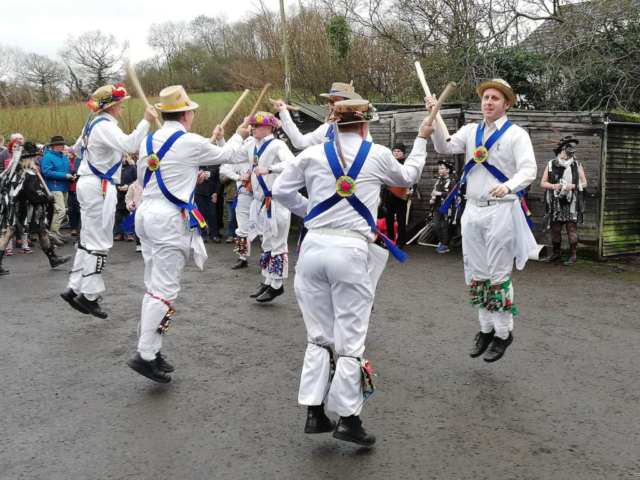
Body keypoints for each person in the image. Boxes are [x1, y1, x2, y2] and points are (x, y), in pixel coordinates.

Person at [273, 99, 434, 446]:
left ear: (334, 124)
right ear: (365, 125)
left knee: (318, 334)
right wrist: (421, 137)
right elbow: (409, 177)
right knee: (350, 339)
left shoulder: (312, 154)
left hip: (313, 248)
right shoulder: (376, 154)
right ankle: (348, 419)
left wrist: (311, 213)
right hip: (350, 250)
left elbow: (280, 190)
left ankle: (314, 412)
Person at [126, 85, 250, 384]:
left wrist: (186, 175)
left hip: (146, 214)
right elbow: (230, 155)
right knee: (164, 290)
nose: (193, 115)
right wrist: (238, 134)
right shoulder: (191, 141)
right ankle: (145, 354)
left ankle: (152, 350)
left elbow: (149, 176)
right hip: (168, 219)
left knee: (153, 286)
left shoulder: (149, 140)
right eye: (192, 111)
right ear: (186, 114)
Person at [426, 78, 537, 363]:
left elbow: (529, 170)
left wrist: (509, 186)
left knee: (498, 276)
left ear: (506, 104)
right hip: (472, 210)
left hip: (501, 210)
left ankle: (503, 333)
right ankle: (485, 329)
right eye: (485, 98)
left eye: (495, 99)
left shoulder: (516, 135)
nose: (488, 102)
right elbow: (445, 147)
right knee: (477, 274)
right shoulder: (470, 131)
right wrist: (434, 118)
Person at [60, 83, 157, 319]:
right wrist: (146, 121)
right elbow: (130, 145)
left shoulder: (91, 125)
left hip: (89, 183)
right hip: (99, 186)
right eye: (121, 103)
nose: (123, 107)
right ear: (112, 106)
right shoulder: (104, 125)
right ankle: (89, 296)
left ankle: (74, 287)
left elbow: (76, 150)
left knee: (88, 238)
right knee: (99, 241)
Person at [238, 111, 295, 303]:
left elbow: (291, 163)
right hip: (260, 203)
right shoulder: (250, 145)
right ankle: (268, 280)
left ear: (269, 128)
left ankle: (277, 285)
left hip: (276, 202)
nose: (253, 128)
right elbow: (233, 156)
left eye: (257, 125)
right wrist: (222, 141)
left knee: (278, 242)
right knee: (267, 243)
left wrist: (270, 169)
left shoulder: (278, 145)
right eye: (252, 125)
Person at [0, 142, 71, 275]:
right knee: (39, 231)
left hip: (14, 209)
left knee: (9, 233)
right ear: (29, 158)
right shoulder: (29, 174)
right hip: (28, 210)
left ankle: (53, 258)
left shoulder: (11, 173)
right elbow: (34, 195)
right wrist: (47, 198)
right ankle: (53, 258)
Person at [273, 82, 372, 149]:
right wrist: (284, 113)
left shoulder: (361, 131)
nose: (330, 105)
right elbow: (300, 142)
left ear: (349, 104)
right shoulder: (326, 128)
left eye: (335, 101)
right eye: (329, 101)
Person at [541, 136, 587, 266]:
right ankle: (556, 253)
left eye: (572, 148)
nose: (570, 151)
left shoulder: (577, 165)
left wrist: (574, 186)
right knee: (555, 228)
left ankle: (573, 255)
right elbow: (543, 183)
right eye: (567, 148)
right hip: (556, 201)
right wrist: (554, 186)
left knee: (571, 227)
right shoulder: (551, 164)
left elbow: (584, 183)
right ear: (562, 150)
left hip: (572, 201)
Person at [40, 136, 73, 243]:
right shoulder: (47, 157)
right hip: (54, 187)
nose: (63, 146)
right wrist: (65, 176)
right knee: (60, 211)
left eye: (63, 144)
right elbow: (46, 172)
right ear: (54, 146)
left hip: (63, 186)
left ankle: (56, 232)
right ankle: (52, 235)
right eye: (60, 144)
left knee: (59, 211)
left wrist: (71, 176)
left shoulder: (63, 157)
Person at [220, 160, 253, 268]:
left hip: (263, 197)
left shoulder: (268, 153)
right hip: (244, 195)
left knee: (266, 229)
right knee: (242, 228)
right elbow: (224, 169)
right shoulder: (241, 157)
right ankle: (242, 258)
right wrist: (238, 177)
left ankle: (266, 261)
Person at [382, 142, 414, 249]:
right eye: (394, 151)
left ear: (403, 154)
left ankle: (400, 242)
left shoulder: (406, 165)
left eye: (398, 151)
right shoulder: (388, 164)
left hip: (401, 198)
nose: (396, 153)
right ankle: (390, 241)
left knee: (401, 220)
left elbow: (412, 177)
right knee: (389, 220)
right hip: (388, 196)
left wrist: (412, 188)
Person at [430, 159, 457, 253]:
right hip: (437, 207)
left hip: (446, 208)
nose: (439, 170)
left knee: (444, 227)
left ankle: (445, 245)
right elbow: (434, 191)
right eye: (439, 168)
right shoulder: (439, 181)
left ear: (448, 170)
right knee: (436, 226)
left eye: (442, 168)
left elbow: (453, 194)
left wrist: (439, 193)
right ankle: (442, 242)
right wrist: (432, 198)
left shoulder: (452, 181)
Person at [114, 155, 137, 241]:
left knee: (128, 214)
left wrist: (128, 186)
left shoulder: (132, 168)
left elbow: (136, 180)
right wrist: (117, 187)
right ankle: (119, 233)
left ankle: (128, 233)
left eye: (123, 157)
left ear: (126, 158)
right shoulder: (116, 167)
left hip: (129, 194)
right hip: (118, 194)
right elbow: (112, 179)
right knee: (118, 215)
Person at [219, 168, 239, 244]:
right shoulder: (226, 167)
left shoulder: (243, 165)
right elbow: (222, 180)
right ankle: (231, 235)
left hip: (241, 195)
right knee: (231, 217)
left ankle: (240, 235)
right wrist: (232, 174)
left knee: (240, 217)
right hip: (229, 196)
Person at [125, 176, 144, 252]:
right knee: (137, 227)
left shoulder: (150, 184)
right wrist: (130, 205)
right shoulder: (133, 185)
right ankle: (138, 244)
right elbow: (128, 198)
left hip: (147, 208)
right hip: (136, 209)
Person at [66, 147, 81, 236]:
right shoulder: (66, 161)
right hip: (69, 188)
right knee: (71, 209)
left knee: (78, 209)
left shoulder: (78, 161)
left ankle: (78, 227)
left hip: (77, 187)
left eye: (69, 153)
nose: (68, 154)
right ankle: (73, 228)